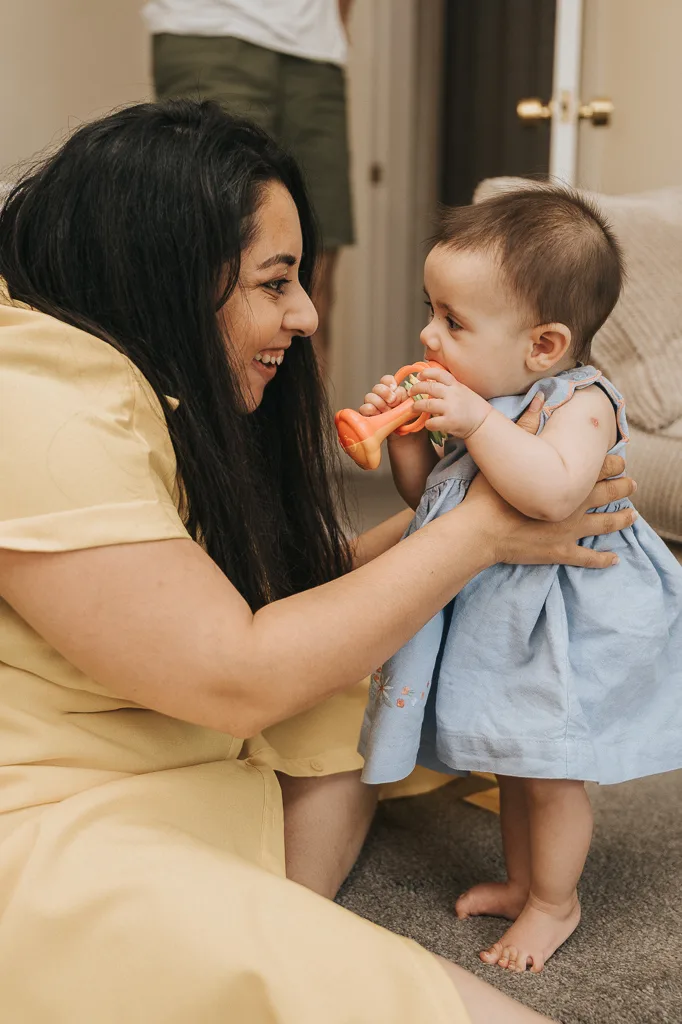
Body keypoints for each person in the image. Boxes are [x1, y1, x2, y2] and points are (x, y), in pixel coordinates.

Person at [0, 102, 636, 1023]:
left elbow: (275, 600)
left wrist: (458, 518)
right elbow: (238, 672)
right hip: (53, 806)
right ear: (165, 271)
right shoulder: (41, 405)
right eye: (276, 281)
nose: (305, 315)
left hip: (175, 735)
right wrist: (484, 531)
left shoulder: (134, 383)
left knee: (361, 665)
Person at [357, 186, 682, 975]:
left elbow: (551, 494)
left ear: (543, 345)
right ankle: (522, 880)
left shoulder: (581, 402)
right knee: (512, 762)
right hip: (505, 613)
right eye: (430, 309)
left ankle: (554, 902)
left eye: (453, 322)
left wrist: (473, 421)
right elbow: (438, 504)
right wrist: (404, 445)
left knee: (551, 771)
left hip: (565, 623)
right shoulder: (489, 402)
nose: (428, 335)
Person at [143, 0, 354, 370]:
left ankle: (300, 429)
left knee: (313, 280)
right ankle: (199, 428)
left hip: (315, 48)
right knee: (212, 274)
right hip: (210, 29)